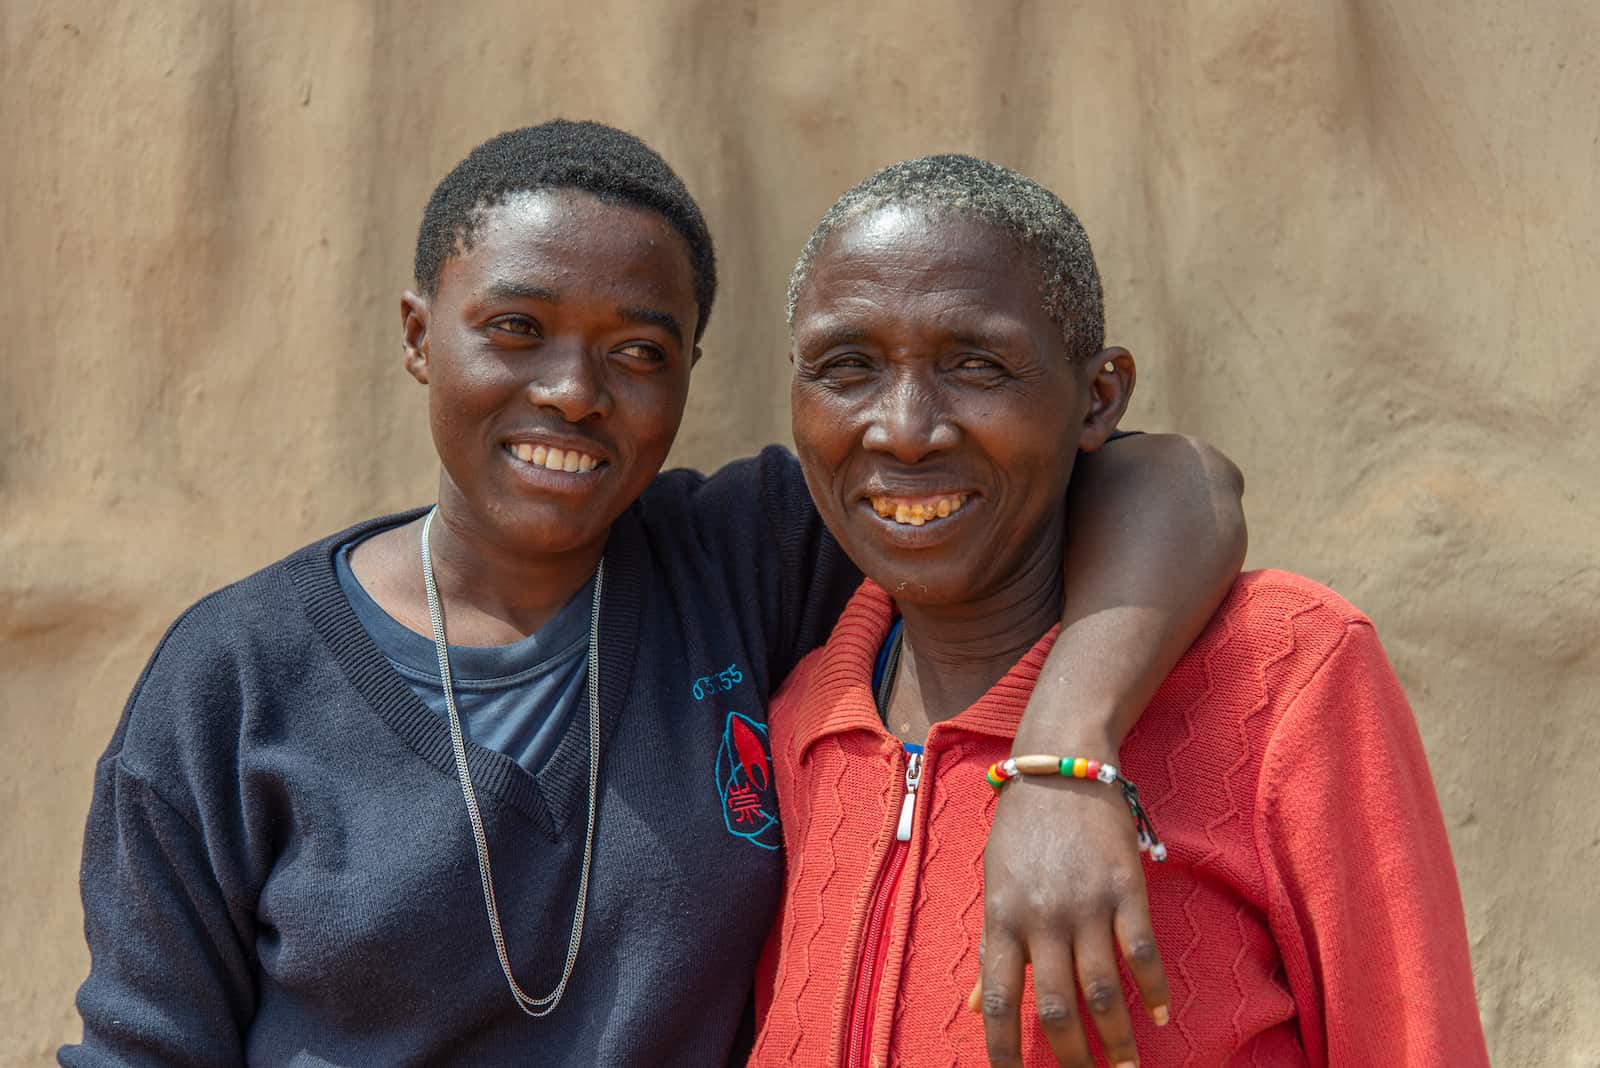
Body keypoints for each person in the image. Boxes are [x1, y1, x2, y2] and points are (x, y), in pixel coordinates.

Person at [61, 123, 1244, 1067]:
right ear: (422, 336)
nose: (573, 392)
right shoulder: (239, 674)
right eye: (515, 330)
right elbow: (147, 1046)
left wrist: (1062, 760)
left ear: (688, 373)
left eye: (638, 349)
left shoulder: (742, 558)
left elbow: (1167, 478)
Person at [750, 155, 1489, 1068]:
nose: (904, 428)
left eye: (977, 364)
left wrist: (1062, 762)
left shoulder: (1281, 673)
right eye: (846, 366)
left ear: (1098, 398)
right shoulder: (800, 722)